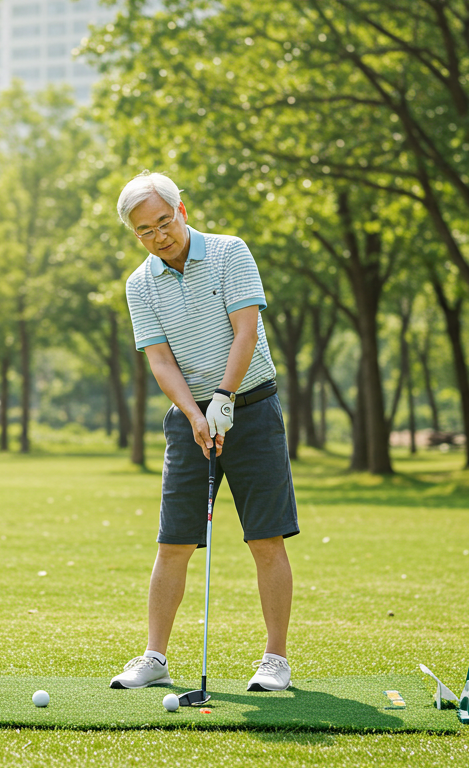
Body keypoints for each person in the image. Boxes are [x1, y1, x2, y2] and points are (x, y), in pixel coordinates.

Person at [110, 171, 298, 693]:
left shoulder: (229, 252)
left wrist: (224, 397)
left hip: (253, 409)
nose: (157, 236)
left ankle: (275, 660)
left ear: (182, 212)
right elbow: (160, 359)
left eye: (163, 222)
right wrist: (195, 414)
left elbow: (246, 330)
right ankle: (155, 657)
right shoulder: (139, 283)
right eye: (144, 230)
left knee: (265, 537)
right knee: (173, 541)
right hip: (189, 420)